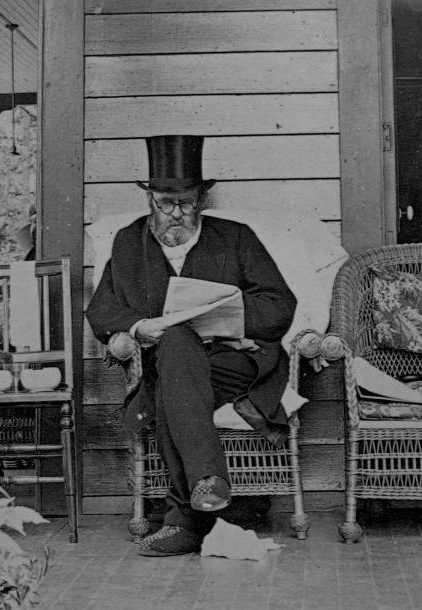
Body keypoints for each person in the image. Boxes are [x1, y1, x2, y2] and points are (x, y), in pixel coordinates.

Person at [85, 135, 298, 557]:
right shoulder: (129, 243)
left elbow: (280, 305)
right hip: (171, 363)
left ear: (200, 199)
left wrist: (231, 320)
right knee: (176, 349)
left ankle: (186, 518)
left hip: (236, 361)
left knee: (174, 384)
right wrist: (139, 326)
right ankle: (201, 494)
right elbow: (101, 311)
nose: (177, 213)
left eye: (186, 202)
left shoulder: (235, 237)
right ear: (151, 201)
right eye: (166, 203)